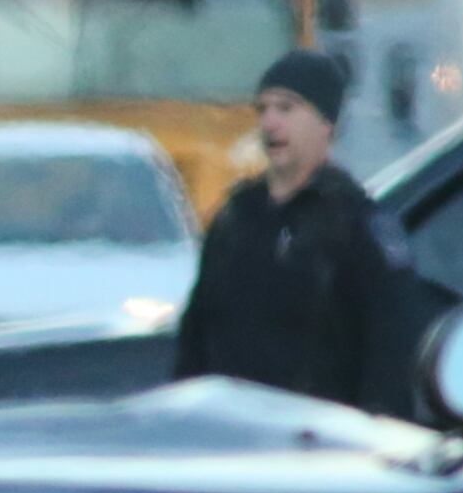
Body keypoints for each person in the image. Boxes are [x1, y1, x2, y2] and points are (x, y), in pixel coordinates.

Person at [171, 46, 418, 413]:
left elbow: (388, 351)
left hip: (318, 446)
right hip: (235, 438)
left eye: (286, 108)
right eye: (263, 109)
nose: (270, 123)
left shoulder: (354, 225)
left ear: (325, 123)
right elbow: (196, 337)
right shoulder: (237, 218)